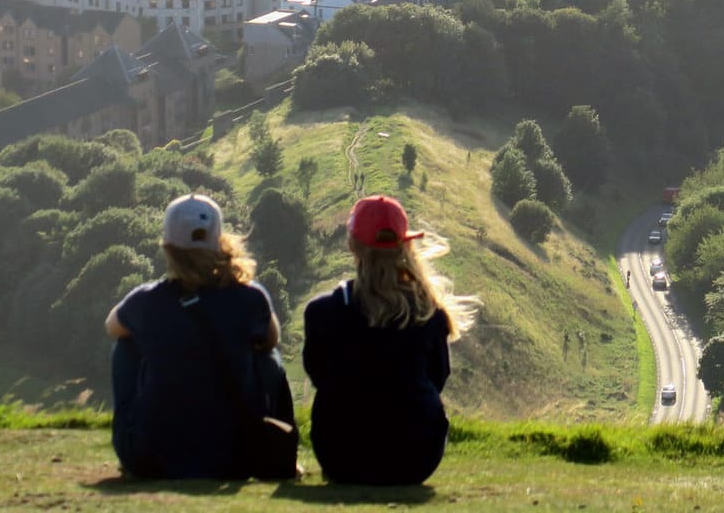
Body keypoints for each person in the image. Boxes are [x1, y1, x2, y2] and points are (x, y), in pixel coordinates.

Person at [105, 193, 291, 480]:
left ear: (167, 246)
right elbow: (272, 340)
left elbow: (112, 326)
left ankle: (134, 441)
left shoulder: (146, 301)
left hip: (150, 459)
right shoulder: (250, 297)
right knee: (268, 355)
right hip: (234, 458)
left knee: (126, 344)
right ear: (220, 241)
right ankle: (275, 445)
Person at [303, 195, 479, 486]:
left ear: (352, 245)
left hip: (341, 456)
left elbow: (319, 374)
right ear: (405, 244)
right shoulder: (428, 313)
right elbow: (438, 377)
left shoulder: (323, 312)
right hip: (415, 457)